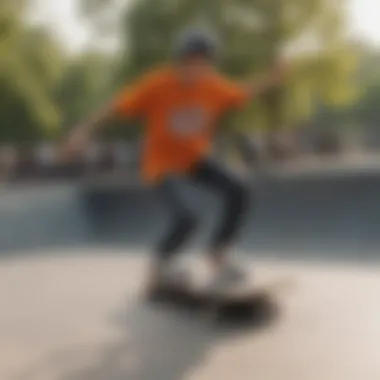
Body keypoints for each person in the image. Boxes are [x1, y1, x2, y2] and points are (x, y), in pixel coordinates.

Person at [61, 29, 286, 293]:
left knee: (239, 191)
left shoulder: (212, 85)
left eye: (203, 65)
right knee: (188, 218)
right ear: (179, 61)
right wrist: (82, 130)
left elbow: (242, 92)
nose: (196, 71)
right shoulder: (157, 84)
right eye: (190, 64)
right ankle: (159, 263)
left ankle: (219, 252)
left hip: (194, 160)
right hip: (161, 165)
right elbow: (115, 107)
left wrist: (273, 77)